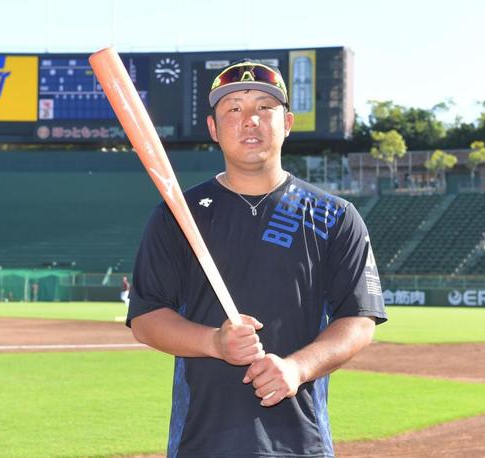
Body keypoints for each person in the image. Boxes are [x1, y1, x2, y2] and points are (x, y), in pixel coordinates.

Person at [127, 59, 387, 457]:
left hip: (301, 443)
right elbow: (146, 319)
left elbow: (358, 320)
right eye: (233, 109)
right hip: (201, 443)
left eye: (265, 107)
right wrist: (214, 342)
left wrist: (297, 369)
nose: (250, 119)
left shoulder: (334, 216)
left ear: (287, 123)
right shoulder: (179, 214)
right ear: (214, 129)